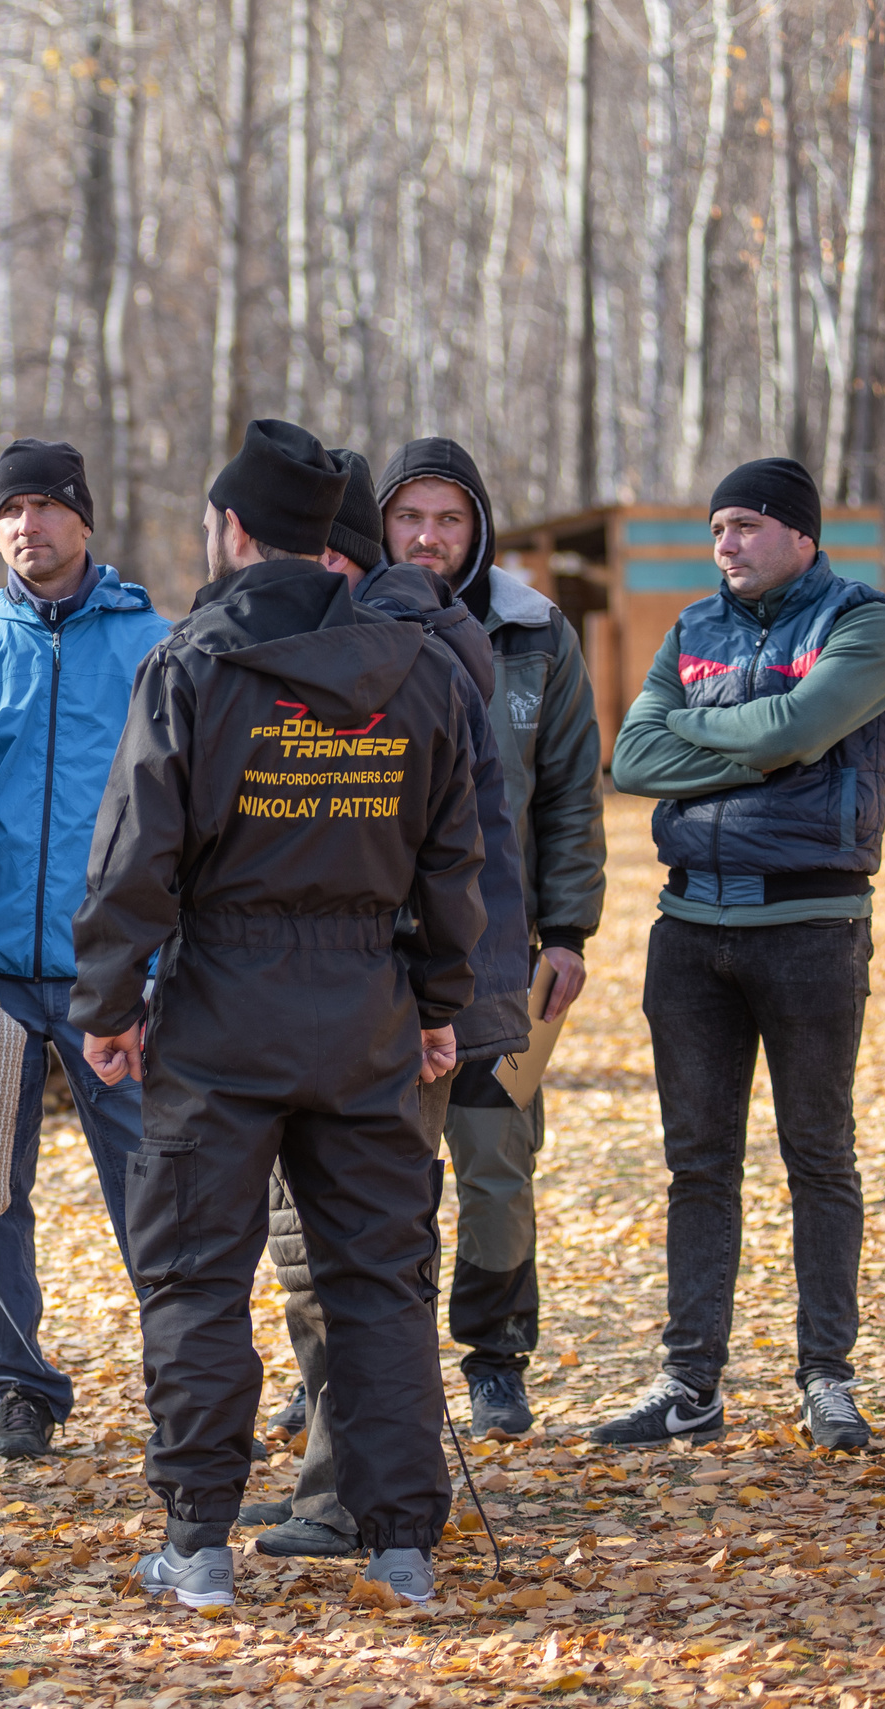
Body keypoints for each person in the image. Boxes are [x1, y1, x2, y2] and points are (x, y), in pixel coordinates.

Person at [73, 419, 487, 1611]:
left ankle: (198, 1540)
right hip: (366, 1007)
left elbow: (135, 852)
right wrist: (439, 999)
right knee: (379, 1278)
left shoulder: (193, 665)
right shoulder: (418, 669)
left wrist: (108, 1002)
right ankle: (401, 1543)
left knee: (195, 1276)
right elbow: (454, 858)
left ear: (234, 529)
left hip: (223, 1007)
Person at [246, 447, 533, 1560]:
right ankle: (337, 1474)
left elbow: (435, 852)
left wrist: (434, 1000)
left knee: (354, 1253)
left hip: (397, 1000)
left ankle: (360, 1493)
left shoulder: (399, 650)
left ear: (337, 559)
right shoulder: (386, 637)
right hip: (368, 995)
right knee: (321, 1249)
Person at [594, 456, 885, 1454]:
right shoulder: (692, 629)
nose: (724, 543)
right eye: (717, 527)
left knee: (818, 1155)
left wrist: (734, 736)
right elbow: (632, 758)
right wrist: (759, 742)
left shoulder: (864, 624)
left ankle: (827, 1378)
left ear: (800, 534)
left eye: (745, 524)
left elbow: (801, 726)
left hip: (811, 929)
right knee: (697, 1166)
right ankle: (690, 1383)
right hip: (688, 931)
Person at [0, 439, 168, 1462]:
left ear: (85, 519)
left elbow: (183, 815)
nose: (30, 525)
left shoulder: (157, 647)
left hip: (114, 974)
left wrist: (153, 964)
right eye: (12, 509)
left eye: (48, 505)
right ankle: (20, 1384)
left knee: (154, 1182)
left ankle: (186, 1374)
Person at [361, 437, 606, 1439]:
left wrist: (569, 930)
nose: (428, 537)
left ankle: (496, 1358)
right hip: (370, 964)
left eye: (449, 519)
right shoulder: (342, 623)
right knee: (368, 1170)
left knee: (499, 1165)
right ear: (380, 524)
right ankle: (352, 1361)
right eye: (410, 517)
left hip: (503, 961)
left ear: (479, 527)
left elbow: (569, 793)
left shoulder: (535, 632)